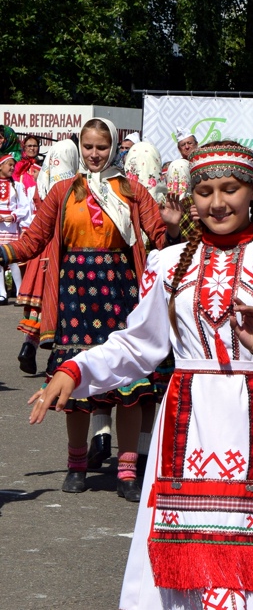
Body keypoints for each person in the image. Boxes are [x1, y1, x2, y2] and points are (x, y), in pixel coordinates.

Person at [30, 140, 253, 610]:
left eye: (231, 189)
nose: (218, 203)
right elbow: (139, 343)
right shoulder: (168, 263)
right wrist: (77, 368)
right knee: (180, 537)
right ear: (190, 198)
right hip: (187, 419)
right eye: (206, 191)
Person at [5, 119, 180, 500]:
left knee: (129, 383)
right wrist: (4, 253)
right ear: (80, 147)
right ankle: (76, 466)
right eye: (88, 147)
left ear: (115, 147)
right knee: (79, 384)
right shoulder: (64, 191)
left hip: (121, 290)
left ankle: (128, 471)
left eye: (102, 147)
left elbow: (161, 238)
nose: (95, 154)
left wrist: (176, 226)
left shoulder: (132, 191)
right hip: (76, 294)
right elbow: (34, 239)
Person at [15, 140, 81, 372]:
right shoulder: (74, 187)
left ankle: (28, 346)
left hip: (39, 246)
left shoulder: (40, 184)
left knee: (38, 303)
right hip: (61, 247)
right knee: (64, 301)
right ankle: (60, 356)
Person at [0, 152, 33, 304]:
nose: (13, 168)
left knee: (12, 258)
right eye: (10, 165)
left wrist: (13, 216)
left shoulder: (17, 186)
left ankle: (21, 291)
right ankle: (2, 293)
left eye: (14, 165)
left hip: (11, 227)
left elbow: (25, 206)